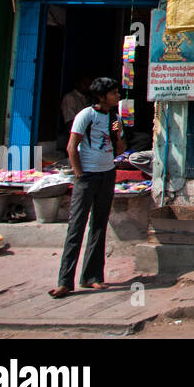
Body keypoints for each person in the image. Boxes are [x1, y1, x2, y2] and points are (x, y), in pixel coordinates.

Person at [49, 77, 125, 299]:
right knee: (76, 227)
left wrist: (118, 134)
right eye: (113, 93)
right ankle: (64, 281)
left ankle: (92, 277)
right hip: (87, 177)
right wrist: (79, 174)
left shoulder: (114, 117)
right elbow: (72, 146)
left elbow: (120, 150)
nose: (117, 96)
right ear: (102, 96)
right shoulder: (86, 115)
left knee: (99, 225)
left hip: (107, 174)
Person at [59, 74, 90, 150]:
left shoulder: (87, 99)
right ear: (77, 84)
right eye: (85, 84)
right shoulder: (70, 98)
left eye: (89, 84)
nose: (87, 86)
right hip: (77, 139)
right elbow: (70, 122)